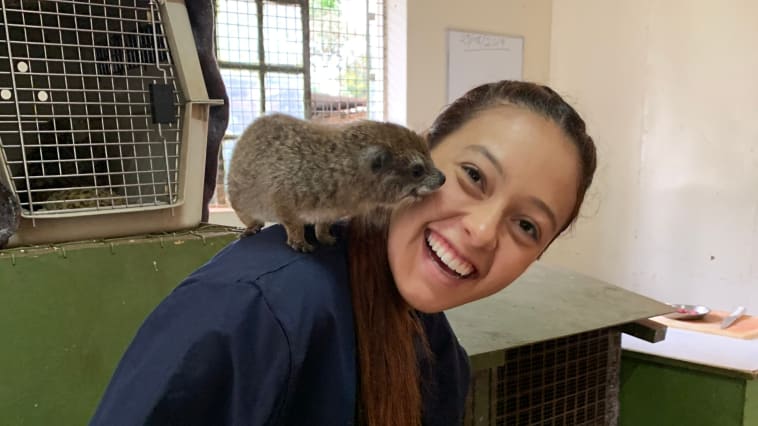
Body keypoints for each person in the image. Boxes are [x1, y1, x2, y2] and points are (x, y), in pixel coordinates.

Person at [89, 80, 597, 426]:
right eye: (473, 176)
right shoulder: (251, 310)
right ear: (423, 150)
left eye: (527, 226)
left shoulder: (437, 351)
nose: (483, 232)